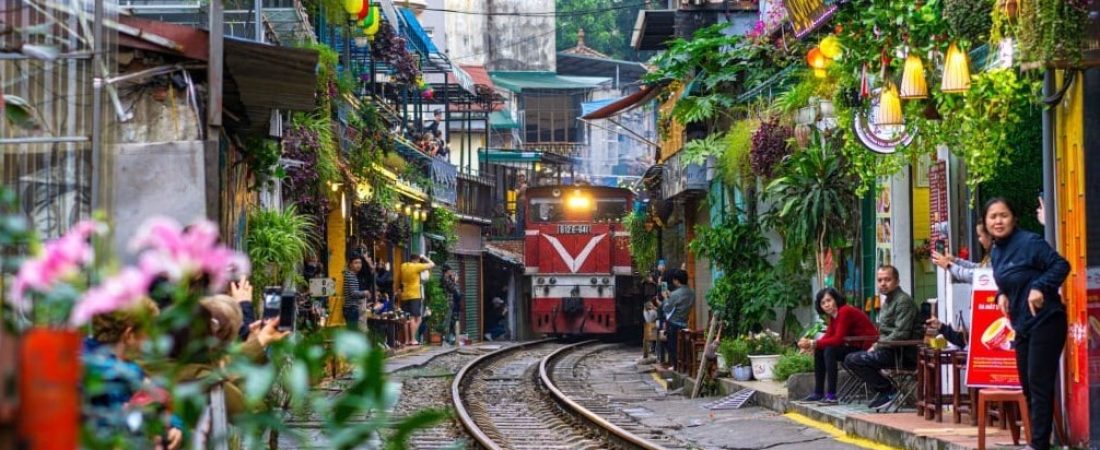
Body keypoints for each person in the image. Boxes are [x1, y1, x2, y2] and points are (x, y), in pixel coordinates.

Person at [986, 197, 1070, 450]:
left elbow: (1061, 265)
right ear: (986, 222)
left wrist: (1040, 287)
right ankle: (1037, 440)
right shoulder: (997, 250)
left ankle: (1039, 444)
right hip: (1022, 324)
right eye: (993, 217)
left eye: (1004, 215)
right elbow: (1007, 280)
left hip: (1047, 320)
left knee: (1038, 382)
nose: (998, 221)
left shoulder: (1030, 242)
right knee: (1027, 385)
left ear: (1014, 218)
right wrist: (1001, 294)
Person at [83, 298, 183, 450]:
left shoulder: (126, 366)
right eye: (147, 334)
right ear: (129, 335)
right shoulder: (109, 372)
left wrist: (174, 426)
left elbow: (156, 403)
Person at [844, 265, 921, 409]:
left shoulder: (903, 301)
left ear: (897, 281)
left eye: (887, 279)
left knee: (854, 359)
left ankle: (887, 390)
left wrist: (878, 345)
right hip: (889, 350)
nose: (883, 283)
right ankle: (885, 391)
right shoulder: (889, 300)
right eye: (880, 280)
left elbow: (901, 334)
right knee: (850, 358)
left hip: (903, 353)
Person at [797, 288, 878, 404]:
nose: (826, 305)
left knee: (830, 350)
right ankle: (818, 393)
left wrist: (813, 343)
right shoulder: (834, 317)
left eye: (829, 300)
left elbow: (838, 339)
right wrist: (811, 346)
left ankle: (831, 395)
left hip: (868, 347)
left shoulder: (844, 311)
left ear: (836, 299)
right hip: (856, 346)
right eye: (823, 303)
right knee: (820, 350)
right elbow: (828, 337)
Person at [661, 269, 694, 371]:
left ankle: (676, 366)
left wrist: (666, 298)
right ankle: (684, 366)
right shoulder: (691, 293)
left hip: (674, 323)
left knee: (673, 346)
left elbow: (666, 308)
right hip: (685, 322)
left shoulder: (675, 294)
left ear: (676, 280)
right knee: (684, 347)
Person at [399, 254, 435, 345]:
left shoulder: (403, 266)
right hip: (414, 295)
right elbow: (432, 264)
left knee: (406, 319)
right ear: (417, 260)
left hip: (404, 295)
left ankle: (407, 340)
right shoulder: (417, 266)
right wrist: (425, 257)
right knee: (417, 318)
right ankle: (413, 339)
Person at [343, 256, 370, 330]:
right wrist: (364, 293)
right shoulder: (351, 276)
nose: (358, 265)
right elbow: (353, 293)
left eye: (360, 263)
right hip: (351, 308)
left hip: (351, 308)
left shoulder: (351, 275)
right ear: (350, 264)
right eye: (356, 263)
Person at [442, 265, 463, 344]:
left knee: (450, 320)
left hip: (450, 301)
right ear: (447, 271)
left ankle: (448, 338)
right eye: (450, 271)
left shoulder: (446, 279)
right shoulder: (446, 279)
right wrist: (455, 281)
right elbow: (454, 289)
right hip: (448, 301)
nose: (451, 272)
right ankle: (446, 339)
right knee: (447, 320)